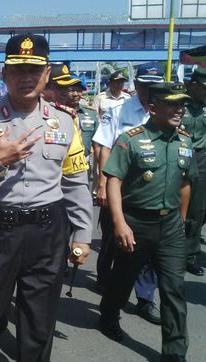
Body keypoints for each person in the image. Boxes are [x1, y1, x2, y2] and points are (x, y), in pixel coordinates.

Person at [0, 34, 92, 362]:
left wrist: (82, 234)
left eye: (33, 70)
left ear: (46, 74)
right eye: (17, 70)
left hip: (47, 228)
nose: (25, 77)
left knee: (39, 322)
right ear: (4, 74)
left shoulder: (65, 123)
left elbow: (75, 182)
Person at [99, 82, 194, 362]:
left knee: (174, 288)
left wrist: (182, 219)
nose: (180, 109)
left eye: (182, 104)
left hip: (171, 227)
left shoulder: (184, 141)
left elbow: (186, 183)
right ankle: (108, 314)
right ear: (153, 108)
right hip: (136, 222)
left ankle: (174, 353)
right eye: (172, 104)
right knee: (123, 277)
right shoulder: (131, 139)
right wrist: (119, 223)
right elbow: (114, 180)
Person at [93, 62, 165, 324]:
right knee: (115, 246)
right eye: (145, 85)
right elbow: (104, 147)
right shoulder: (118, 110)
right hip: (119, 189)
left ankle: (145, 300)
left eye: (155, 86)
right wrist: (102, 182)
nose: (150, 91)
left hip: (152, 192)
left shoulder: (166, 112)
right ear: (136, 85)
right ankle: (110, 295)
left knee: (148, 254)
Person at [182, 67, 206, 277]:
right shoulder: (179, 103)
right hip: (181, 155)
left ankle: (190, 255)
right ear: (193, 85)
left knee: (198, 210)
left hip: (202, 158)